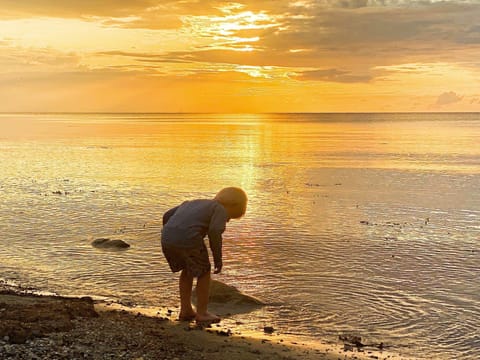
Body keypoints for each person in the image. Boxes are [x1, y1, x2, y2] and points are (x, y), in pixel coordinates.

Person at [161, 187, 248, 323]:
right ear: (233, 205)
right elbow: (214, 232)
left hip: (167, 237)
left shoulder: (192, 203)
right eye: (228, 217)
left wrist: (173, 232)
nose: (227, 221)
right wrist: (218, 259)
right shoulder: (219, 209)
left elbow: (166, 215)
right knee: (204, 272)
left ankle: (185, 310)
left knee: (187, 270)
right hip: (189, 238)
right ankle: (202, 313)